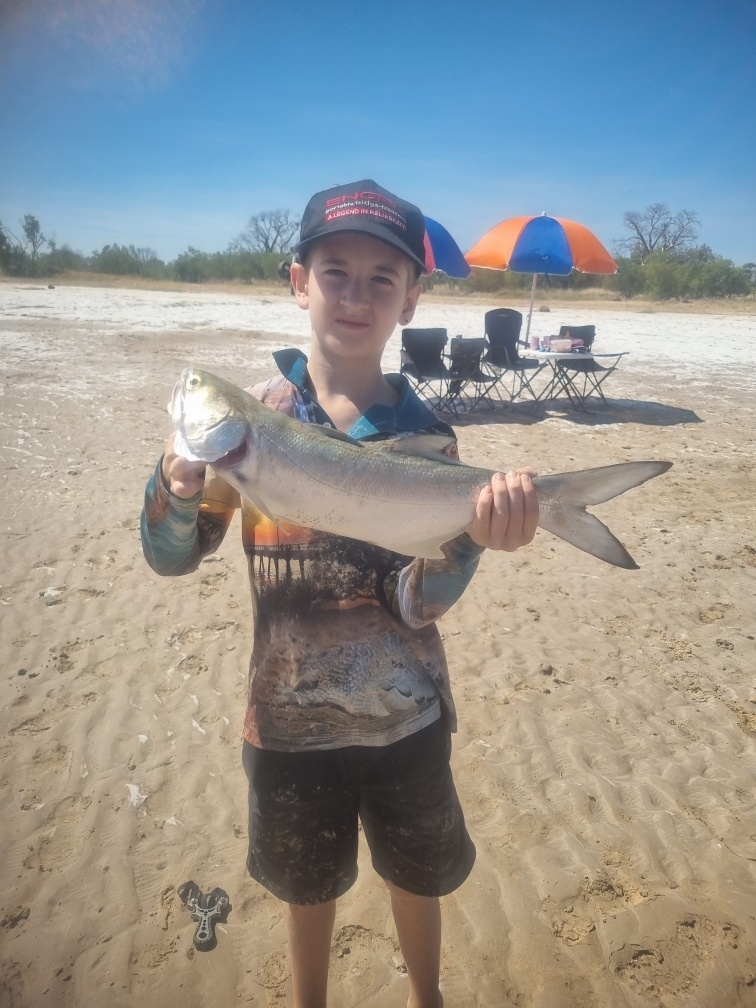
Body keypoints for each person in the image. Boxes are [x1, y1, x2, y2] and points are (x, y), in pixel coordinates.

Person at [141, 179, 538, 1008]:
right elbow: (173, 557)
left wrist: (472, 541)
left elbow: (422, 602)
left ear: (410, 299)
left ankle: (425, 996)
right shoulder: (254, 423)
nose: (356, 295)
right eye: (335, 272)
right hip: (286, 721)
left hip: (408, 719)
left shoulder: (427, 437)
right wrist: (176, 486)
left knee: (416, 878)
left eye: (381, 279)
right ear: (298, 282)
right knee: (307, 887)